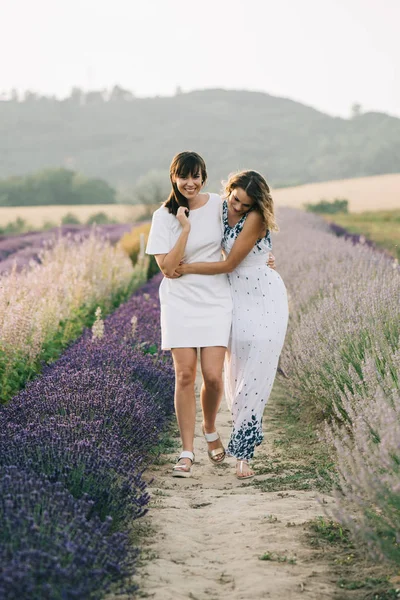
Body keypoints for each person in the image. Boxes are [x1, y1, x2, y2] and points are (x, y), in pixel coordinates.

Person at [176, 171, 288, 479]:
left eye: (245, 204)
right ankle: (217, 430)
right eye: (235, 199)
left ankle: (244, 454)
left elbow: (229, 263)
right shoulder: (218, 208)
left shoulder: (255, 219)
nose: (237, 207)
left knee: (258, 368)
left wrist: (185, 269)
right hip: (233, 296)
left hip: (265, 295)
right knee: (235, 370)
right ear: (229, 190)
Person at [145, 151, 233, 477]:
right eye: (184, 176)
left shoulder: (219, 207)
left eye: (196, 176)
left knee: (212, 375)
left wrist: (262, 259)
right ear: (174, 177)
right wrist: (184, 229)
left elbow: (240, 238)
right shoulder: (162, 217)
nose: (191, 183)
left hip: (215, 298)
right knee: (185, 375)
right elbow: (168, 269)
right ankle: (186, 451)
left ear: (204, 178)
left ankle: (210, 428)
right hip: (179, 301)